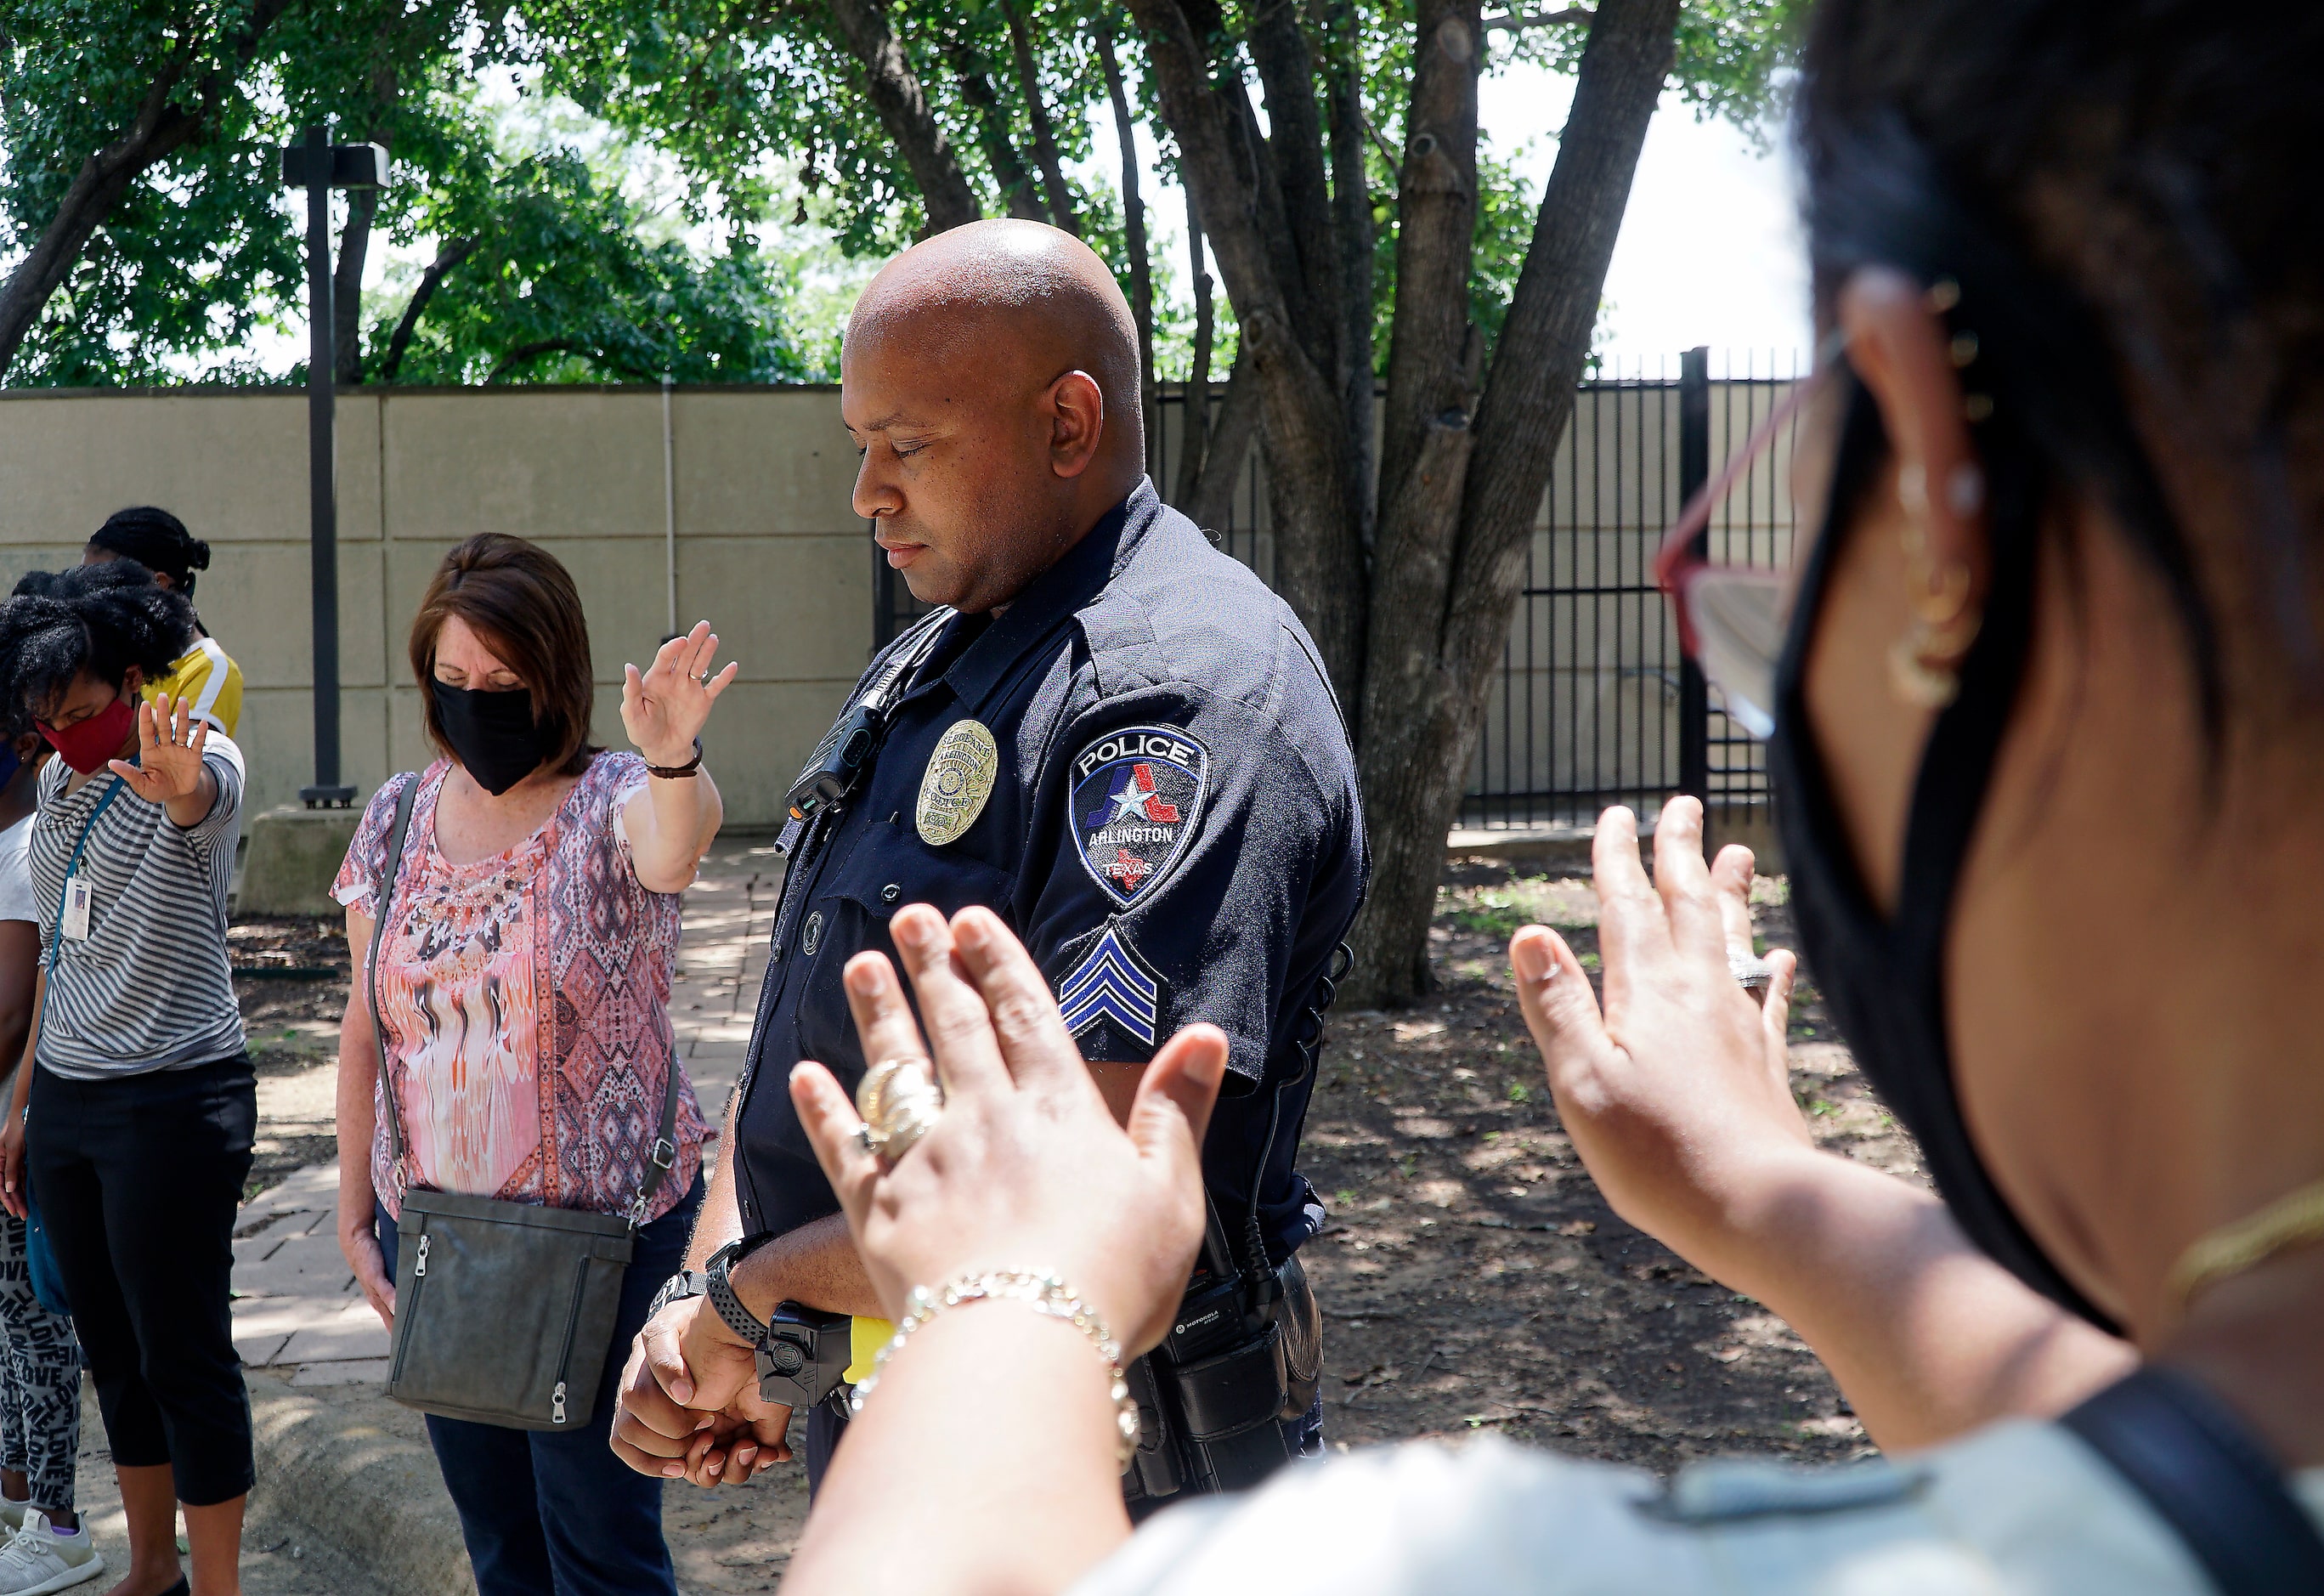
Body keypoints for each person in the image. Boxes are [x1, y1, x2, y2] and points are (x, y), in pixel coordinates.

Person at [759, 2, 2324, 1589]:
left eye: (1787, 507)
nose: (1712, 559)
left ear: (1933, 487)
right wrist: (1781, 1198)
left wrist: (1009, 1284)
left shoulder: (1477, 1557)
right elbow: (2157, 1453)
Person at [608, 218, 1366, 1510]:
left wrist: (763, 1292)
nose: (865, 492)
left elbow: (1074, 1184)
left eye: (905, 444)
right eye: (859, 444)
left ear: (1068, 424)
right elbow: (808, 1041)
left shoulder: (1178, 697)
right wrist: (714, 1299)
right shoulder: (943, 657)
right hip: (906, 1420)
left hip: (1105, 1480)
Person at [333, 533, 731, 1596]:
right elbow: (367, 1025)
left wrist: (673, 755)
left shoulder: (614, 796)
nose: (476, 702)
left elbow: (675, 848)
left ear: (553, 676)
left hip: (602, 1242)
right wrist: (352, 1214)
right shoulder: (398, 815)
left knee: (598, 1551)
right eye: (453, 680)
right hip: (452, 1246)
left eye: (503, 682)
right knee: (501, 1546)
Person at [0, 562, 252, 1596]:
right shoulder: (59, 783)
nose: (64, 735)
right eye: (44, 721)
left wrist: (176, 780)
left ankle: (221, 1584)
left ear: (137, 679)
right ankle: (152, 1567)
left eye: (83, 710)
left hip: (175, 1099)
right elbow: (64, 947)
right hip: (68, 1099)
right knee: (109, 1346)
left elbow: (202, 799)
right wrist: (25, 1107)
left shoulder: (195, 752)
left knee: (182, 1350)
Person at [0, 720, 91, 1594]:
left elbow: (14, 1010)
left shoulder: (30, 844)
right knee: (7, 1323)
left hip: (17, 1128)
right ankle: (18, 1501)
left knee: (33, 1324)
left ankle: (58, 1520)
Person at [81, 507, 243, 736]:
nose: (87, 599)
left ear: (158, 584)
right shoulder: (101, 654)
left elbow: (184, 766)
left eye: (101, 587)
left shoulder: (210, 669)